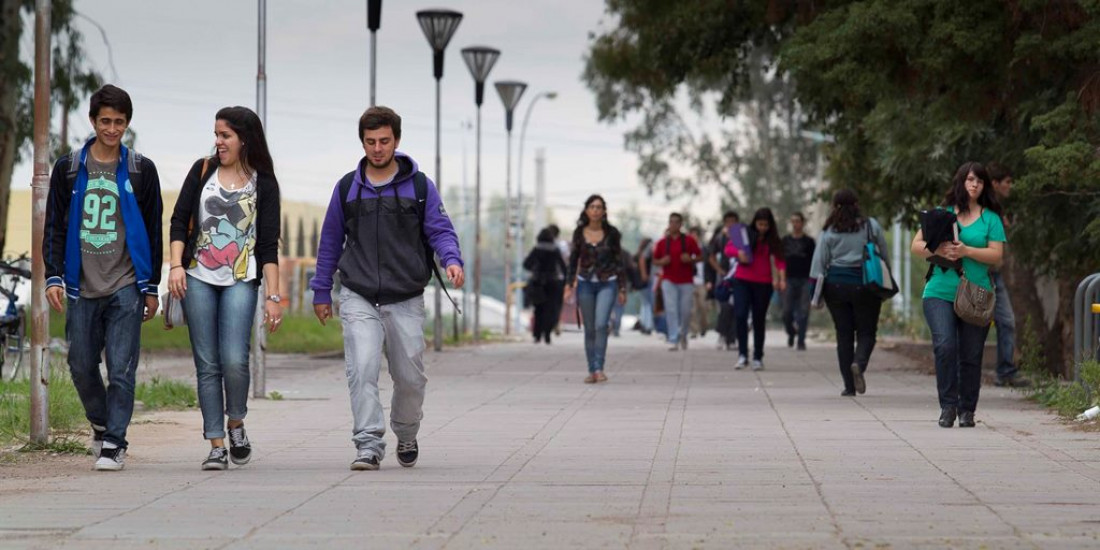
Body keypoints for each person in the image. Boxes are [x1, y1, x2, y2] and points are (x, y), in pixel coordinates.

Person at [311, 106, 464, 470]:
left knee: (409, 376)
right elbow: (330, 241)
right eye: (370, 142)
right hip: (358, 293)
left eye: (384, 141)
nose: (377, 149)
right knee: (362, 368)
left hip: (406, 295)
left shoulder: (420, 186)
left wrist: (451, 259)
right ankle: (368, 444)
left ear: (396, 140)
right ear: (362, 142)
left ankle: (407, 431)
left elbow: (440, 230)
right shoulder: (347, 188)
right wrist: (321, 291)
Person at [44, 84, 163, 471]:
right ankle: (100, 422)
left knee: (122, 368)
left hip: (126, 284)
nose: (112, 129)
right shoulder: (69, 168)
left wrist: (151, 286)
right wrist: (53, 276)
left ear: (127, 124)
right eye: (105, 121)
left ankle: (114, 442)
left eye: (120, 122)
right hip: (81, 284)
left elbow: (152, 230)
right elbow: (54, 228)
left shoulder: (141, 170)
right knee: (79, 363)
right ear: (93, 122)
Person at [168, 106, 282, 470]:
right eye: (216, 135)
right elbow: (177, 220)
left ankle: (236, 422)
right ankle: (216, 444)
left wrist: (274, 297)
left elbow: (267, 244)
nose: (218, 142)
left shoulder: (263, 183)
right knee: (207, 364)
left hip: (241, 280)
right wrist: (175, 266)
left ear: (244, 139)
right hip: (198, 277)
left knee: (234, 359)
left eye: (225, 136)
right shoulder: (203, 171)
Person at [911, 162, 1005, 428]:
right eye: (970, 180)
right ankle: (948, 406)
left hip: (977, 294)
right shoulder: (942, 213)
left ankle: (967, 410)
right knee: (945, 345)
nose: (974, 185)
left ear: (984, 186)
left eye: (980, 181)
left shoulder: (991, 219)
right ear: (961, 182)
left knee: (971, 354)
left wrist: (967, 251)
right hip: (939, 290)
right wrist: (939, 250)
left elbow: (997, 255)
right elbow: (916, 246)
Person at [809, 191, 888, 396]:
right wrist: (885, 277)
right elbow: (883, 255)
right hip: (865, 285)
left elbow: (818, 264)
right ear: (857, 204)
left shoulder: (829, 231)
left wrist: (814, 294)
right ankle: (859, 364)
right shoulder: (870, 225)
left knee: (843, 335)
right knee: (867, 332)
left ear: (834, 206)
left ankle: (849, 386)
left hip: (835, 286)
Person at [564, 195, 626, 383]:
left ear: (604, 211)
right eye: (592, 207)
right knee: (589, 328)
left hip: (608, 281)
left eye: (599, 207)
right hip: (585, 283)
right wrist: (568, 285)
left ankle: (599, 367)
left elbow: (619, 261)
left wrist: (622, 288)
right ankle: (592, 369)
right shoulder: (579, 233)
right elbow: (573, 260)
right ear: (586, 211)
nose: (596, 210)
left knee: (601, 324)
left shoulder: (612, 233)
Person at [987, 162, 1029, 388]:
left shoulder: (996, 208)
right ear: (995, 183)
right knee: (974, 324)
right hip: (982, 273)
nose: (1010, 187)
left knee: (1007, 320)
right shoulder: (984, 208)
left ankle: (1006, 371)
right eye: (1007, 182)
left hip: (995, 273)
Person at [729, 208, 786, 370]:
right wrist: (738, 253)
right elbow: (729, 248)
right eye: (759, 224)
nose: (762, 228)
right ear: (754, 222)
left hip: (763, 283)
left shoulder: (773, 240)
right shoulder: (745, 234)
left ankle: (758, 356)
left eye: (765, 225)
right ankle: (742, 354)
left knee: (758, 319)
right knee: (740, 315)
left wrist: (782, 279)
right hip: (742, 280)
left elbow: (780, 261)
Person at [652, 213, 702, 351]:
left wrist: (690, 259)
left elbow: (701, 256)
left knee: (685, 311)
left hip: (686, 280)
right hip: (668, 280)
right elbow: (655, 260)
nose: (673, 225)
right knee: (671, 309)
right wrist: (662, 262)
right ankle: (673, 338)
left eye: (676, 222)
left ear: (681, 224)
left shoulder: (689, 241)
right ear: (668, 224)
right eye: (671, 222)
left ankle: (683, 335)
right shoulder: (662, 243)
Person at [523, 228, 567, 344]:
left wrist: (535, 269)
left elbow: (526, 264)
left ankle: (537, 335)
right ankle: (547, 334)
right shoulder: (555, 249)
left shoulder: (536, 249)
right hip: (553, 282)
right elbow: (563, 267)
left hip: (538, 283)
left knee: (538, 309)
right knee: (550, 309)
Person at [782, 212, 816, 351]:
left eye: (798, 221)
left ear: (802, 223)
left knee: (803, 311)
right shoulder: (785, 241)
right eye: (793, 221)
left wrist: (814, 279)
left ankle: (801, 341)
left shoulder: (809, 242)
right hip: (788, 278)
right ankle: (791, 332)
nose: (796, 224)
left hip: (805, 279)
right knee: (787, 312)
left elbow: (815, 261)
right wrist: (779, 278)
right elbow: (780, 262)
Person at [708, 211, 739, 350]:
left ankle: (732, 338)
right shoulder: (719, 238)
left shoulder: (743, 237)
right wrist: (719, 270)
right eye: (728, 221)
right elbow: (711, 256)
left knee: (737, 308)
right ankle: (723, 334)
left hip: (739, 276)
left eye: (733, 221)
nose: (731, 224)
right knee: (725, 307)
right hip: (724, 277)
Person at [688, 226, 711, 340]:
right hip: (690, 282)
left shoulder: (705, 249)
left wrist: (709, 281)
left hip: (703, 282)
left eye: (695, 235)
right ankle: (693, 330)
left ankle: (704, 326)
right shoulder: (686, 250)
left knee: (703, 307)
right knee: (692, 308)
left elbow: (710, 265)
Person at [634, 238, 655, 335]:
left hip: (640, 282)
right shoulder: (649, 249)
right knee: (649, 303)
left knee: (645, 303)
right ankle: (648, 325)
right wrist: (644, 274)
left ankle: (644, 323)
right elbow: (642, 259)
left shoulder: (639, 252)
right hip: (647, 280)